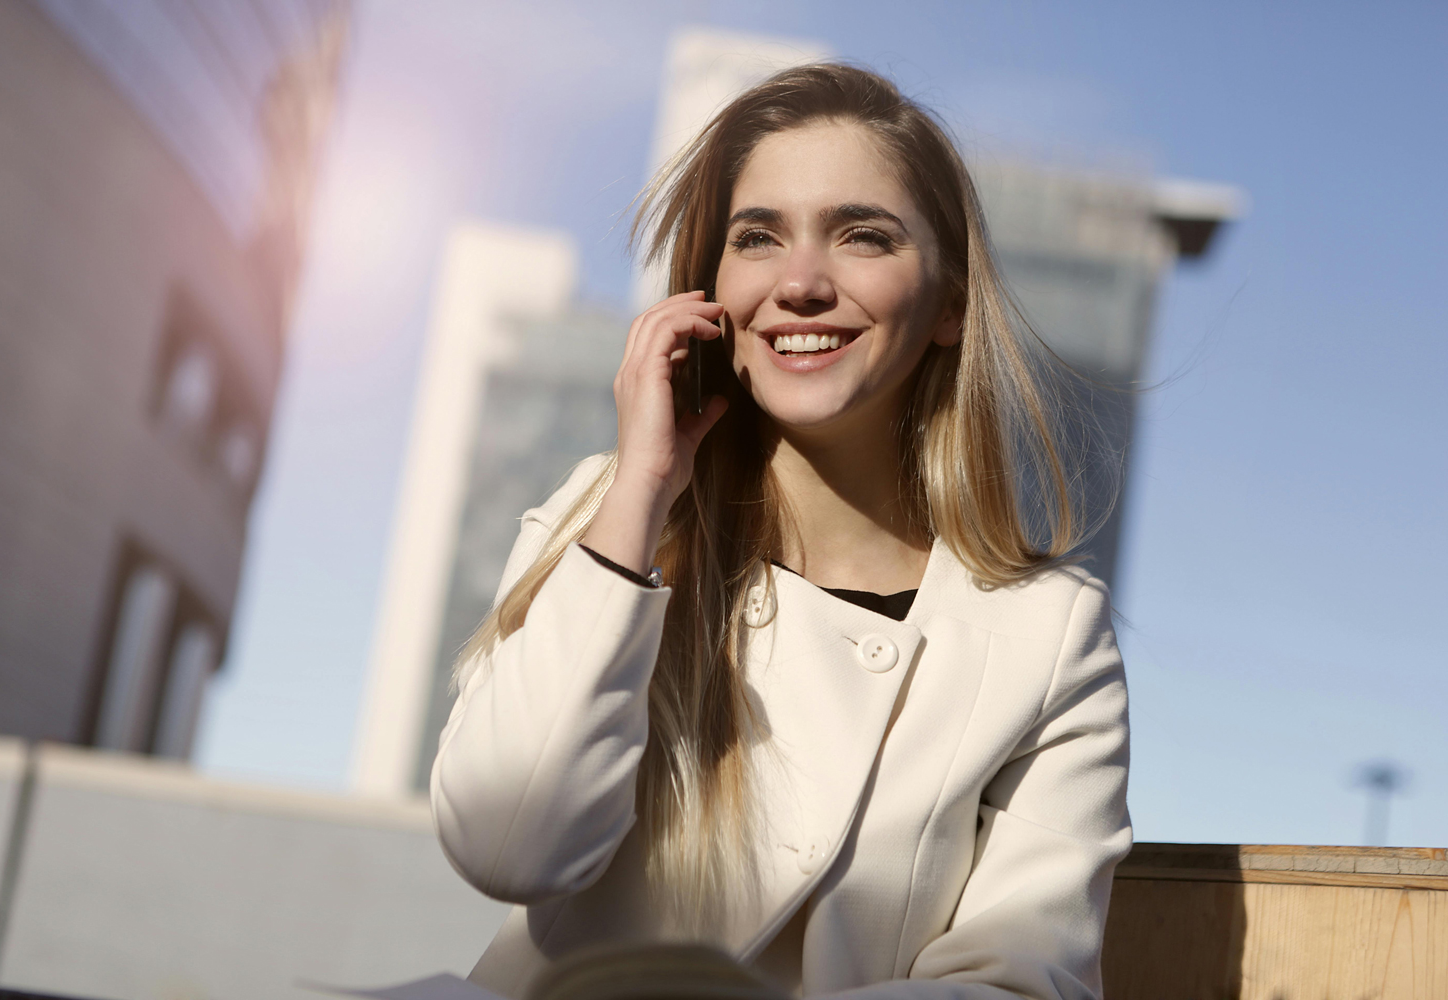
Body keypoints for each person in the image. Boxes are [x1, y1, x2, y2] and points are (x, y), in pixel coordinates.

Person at [430, 64, 1131, 1000]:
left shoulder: (1047, 637)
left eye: (863, 236)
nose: (800, 283)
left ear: (951, 304)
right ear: (711, 291)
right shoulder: (611, 521)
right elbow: (506, 848)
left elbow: (1015, 984)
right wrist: (640, 488)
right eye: (757, 237)